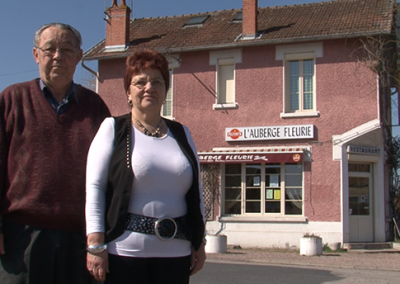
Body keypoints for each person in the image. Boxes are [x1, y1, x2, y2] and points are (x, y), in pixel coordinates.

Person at [0, 23, 111, 284]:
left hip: (80, 237)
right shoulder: (12, 100)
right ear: (36, 54)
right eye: (49, 49)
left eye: (66, 49)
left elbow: (111, 175)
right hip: (22, 236)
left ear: (79, 56)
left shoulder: (95, 107)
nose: (57, 56)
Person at [85, 50, 206, 283]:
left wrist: (199, 241)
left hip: (177, 254)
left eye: (157, 82)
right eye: (140, 82)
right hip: (125, 253)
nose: (149, 87)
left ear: (165, 91)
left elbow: (197, 191)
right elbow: (95, 188)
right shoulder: (112, 129)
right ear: (128, 92)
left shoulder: (183, 133)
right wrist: (96, 244)